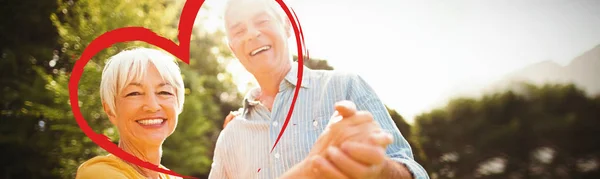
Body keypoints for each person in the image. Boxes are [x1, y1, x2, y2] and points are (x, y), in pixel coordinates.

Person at [209, 0, 429, 178]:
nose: (251, 34)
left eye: (262, 20)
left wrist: (380, 170)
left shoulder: (345, 87)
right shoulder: (231, 136)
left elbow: (413, 170)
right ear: (232, 48)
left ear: (286, 25)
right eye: (238, 31)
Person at [75, 47, 185, 179]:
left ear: (178, 104)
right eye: (134, 93)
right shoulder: (97, 174)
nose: (152, 106)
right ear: (111, 110)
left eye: (164, 92)